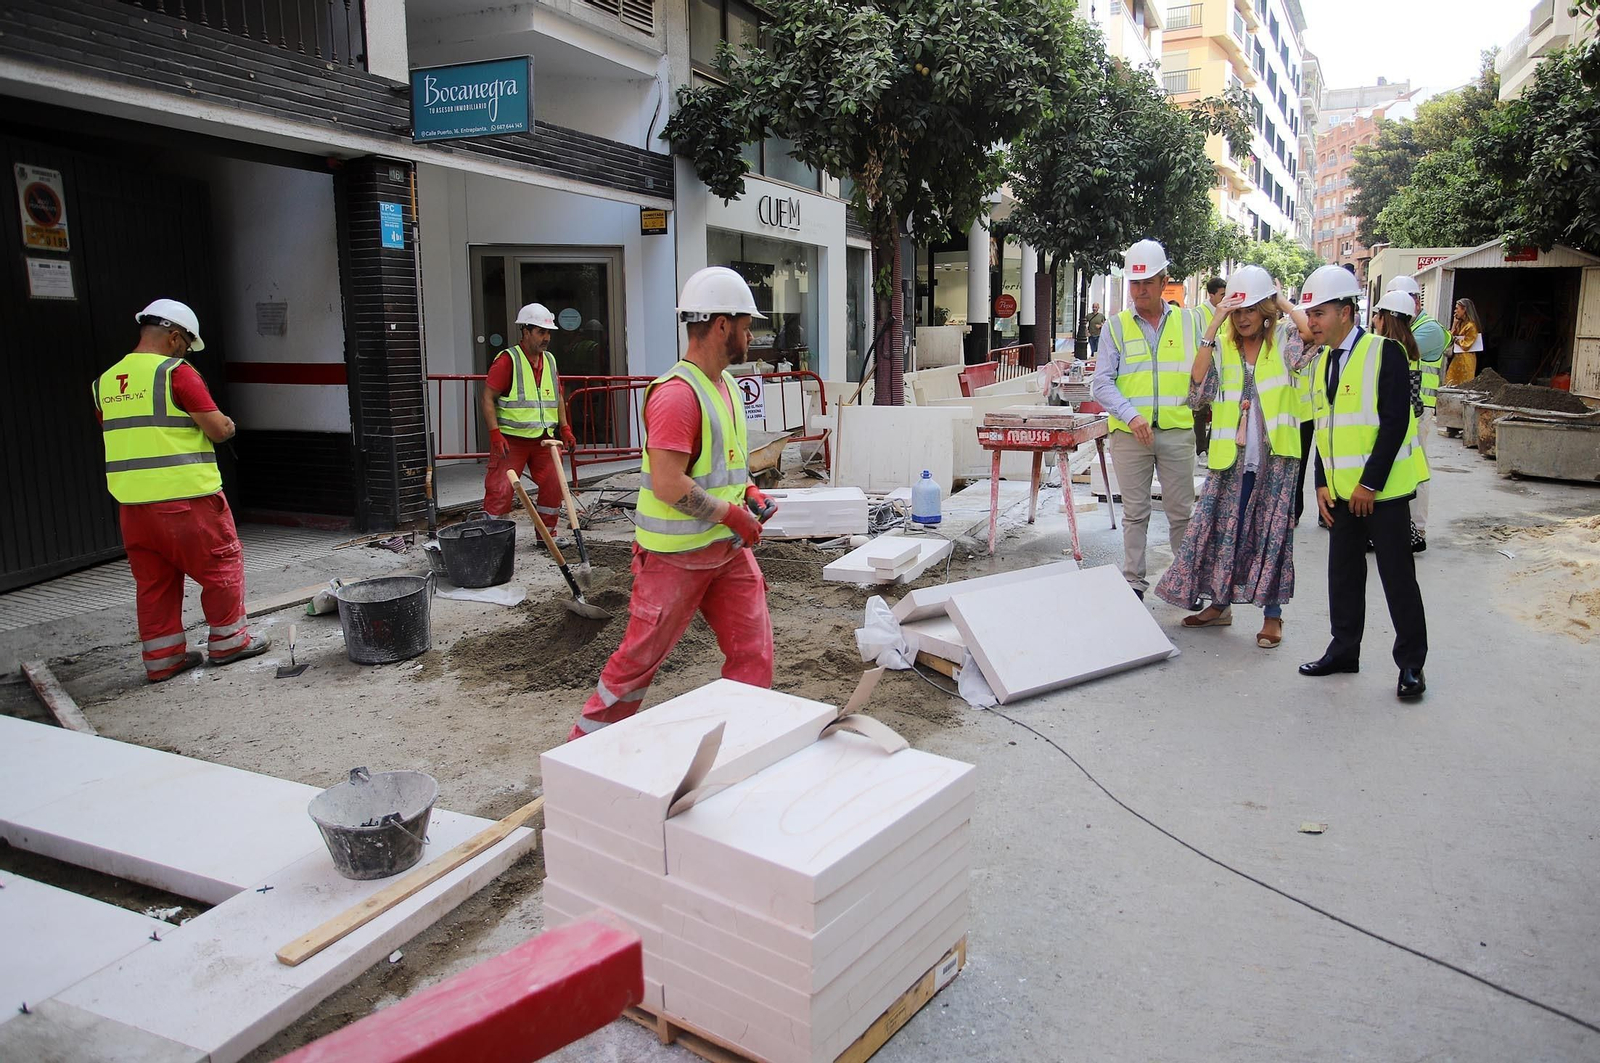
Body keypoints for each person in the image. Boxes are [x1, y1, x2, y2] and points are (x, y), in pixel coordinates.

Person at [569, 267, 778, 740]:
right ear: (721, 324)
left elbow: (727, 468)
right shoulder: (677, 396)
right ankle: (583, 751)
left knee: (754, 652)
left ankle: (737, 743)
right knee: (637, 663)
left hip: (726, 552)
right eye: (746, 324)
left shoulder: (724, 388)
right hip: (674, 560)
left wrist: (748, 494)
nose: (751, 333)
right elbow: (667, 483)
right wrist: (733, 516)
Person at [94, 299, 270, 682]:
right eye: (187, 344)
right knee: (220, 566)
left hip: (133, 508)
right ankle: (229, 642)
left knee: (155, 583)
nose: (187, 351)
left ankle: (163, 660)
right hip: (187, 500)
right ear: (175, 337)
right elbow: (218, 429)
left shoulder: (105, 382)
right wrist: (229, 424)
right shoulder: (176, 373)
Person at [1155, 267, 1315, 648]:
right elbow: (1196, 386)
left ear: (1264, 310)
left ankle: (1273, 616)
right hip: (1231, 459)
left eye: (1250, 310)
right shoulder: (1224, 346)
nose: (1243, 319)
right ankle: (1219, 605)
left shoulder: (1286, 342)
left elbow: (1311, 333)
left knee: (1272, 535)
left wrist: (1282, 301)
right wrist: (1215, 322)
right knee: (1223, 532)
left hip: (1277, 458)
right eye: (1237, 311)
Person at [1296, 265, 1430, 699]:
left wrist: (1369, 485)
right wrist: (1319, 481)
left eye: (1318, 313)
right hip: (1340, 492)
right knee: (1344, 576)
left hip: (1383, 494)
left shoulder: (1384, 352)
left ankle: (1411, 664)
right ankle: (1344, 650)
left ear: (1345, 311)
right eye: (1310, 314)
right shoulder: (1321, 363)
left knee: (1397, 578)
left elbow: (1394, 423)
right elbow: (1323, 426)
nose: (1311, 322)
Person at [1092, 239, 1213, 600]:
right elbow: (1101, 383)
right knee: (1135, 514)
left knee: (1181, 513)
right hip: (1130, 436)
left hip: (1176, 432)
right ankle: (1133, 582)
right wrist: (1130, 416)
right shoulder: (1114, 327)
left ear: (1164, 281)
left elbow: (1207, 367)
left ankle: (1187, 582)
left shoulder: (1189, 323)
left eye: (1147, 282)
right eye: (1134, 283)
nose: (1140, 290)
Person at [480, 303, 578, 530]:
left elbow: (558, 397)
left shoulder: (550, 361)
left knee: (554, 485)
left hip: (544, 439)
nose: (546, 338)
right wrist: (495, 434)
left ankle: (546, 535)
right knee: (501, 488)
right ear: (525, 332)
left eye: (548, 333)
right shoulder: (508, 360)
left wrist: (565, 429)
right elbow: (487, 398)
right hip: (512, 440)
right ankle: (492, 537)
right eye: (540, 332)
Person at [1383, 276, 1445, 552]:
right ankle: (1400, 529)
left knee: (1416, 470)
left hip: (1418, 411)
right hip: (1403, 411)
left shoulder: (1429, 330)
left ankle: (1417, 530)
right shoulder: (1410, 327)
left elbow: (1397, 350)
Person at [1193, 276, 1229, 456]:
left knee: (1221, 407)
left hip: (1224, 365)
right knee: (1201, 410)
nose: (1224, 298)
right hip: (1206, 365)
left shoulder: (1228, 312)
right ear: (1211, 295)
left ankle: (1212, 445)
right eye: (1222, 294)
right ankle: (1201, 448)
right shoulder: (1199, 313)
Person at [1445, 298, 1484, 387]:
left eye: (1457, 308)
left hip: (1466, 359)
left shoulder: (1471, 326)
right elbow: (1450, 337)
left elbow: (1466, 345)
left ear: (1464, 309)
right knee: (1451, 381)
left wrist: (1456, 340)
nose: (1455, 311)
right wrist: (1454, 324)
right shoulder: (1460, 324)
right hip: (1458, 358)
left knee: (1464, 383)